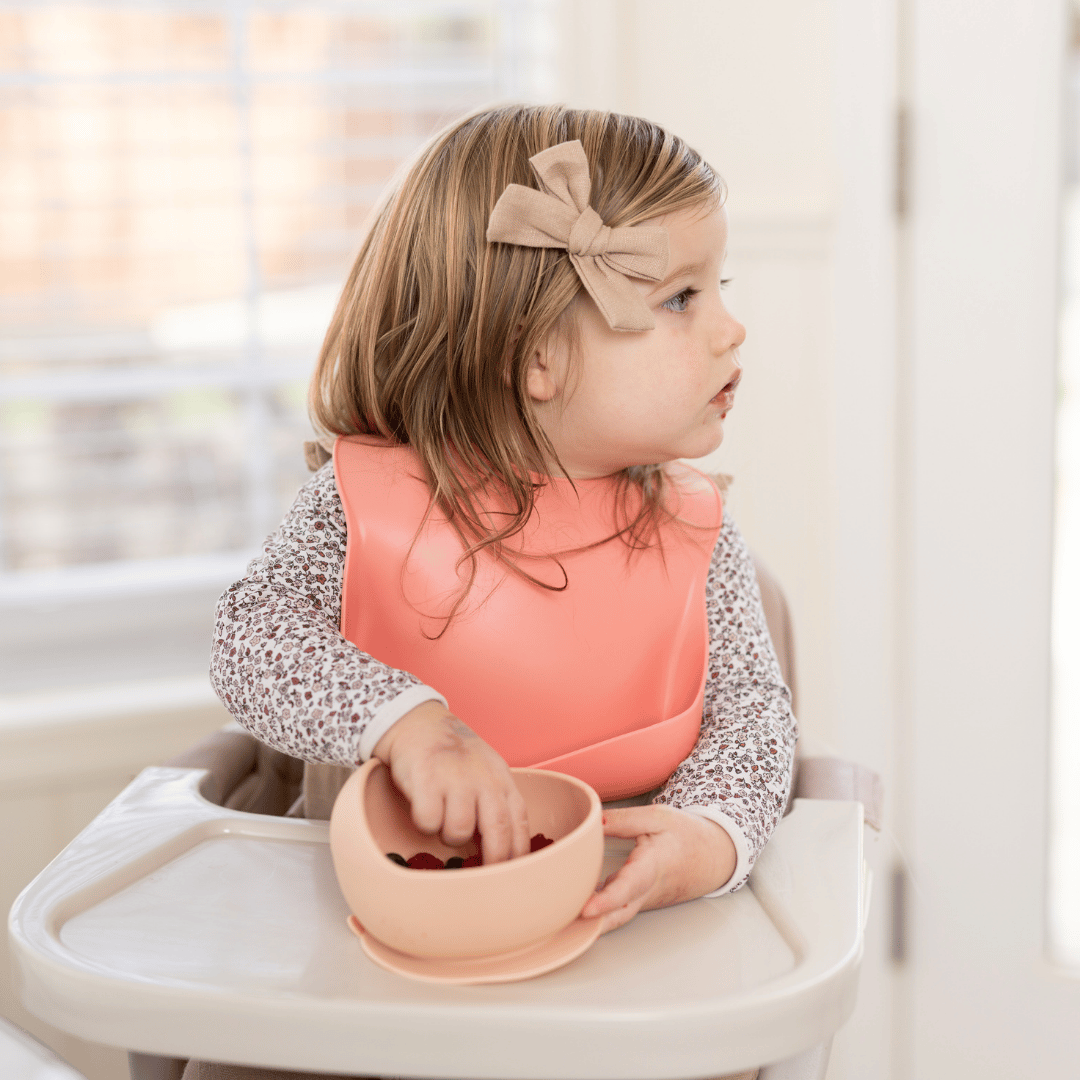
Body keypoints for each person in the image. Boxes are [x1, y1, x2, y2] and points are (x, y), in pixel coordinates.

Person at [198, 102, 794, 1080]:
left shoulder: (698, 537)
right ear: (537, 358)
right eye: (683, 297)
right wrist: (406, 724)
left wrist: (710, 838)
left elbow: (752, 716)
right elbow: (252, 639)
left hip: (615, 978)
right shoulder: (360, 509)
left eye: (716, 285)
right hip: (359, 990)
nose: (733, 328)